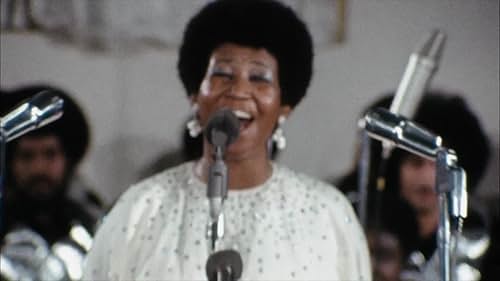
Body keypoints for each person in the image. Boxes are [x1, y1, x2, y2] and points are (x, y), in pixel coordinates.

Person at [83, 0, 371, 280]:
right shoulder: (141, 208)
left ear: (285, 105)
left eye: (260, 78)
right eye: (222, 74)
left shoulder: (327, 214)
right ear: (195, 95)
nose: (239, 90)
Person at [336, 91, 491, 280]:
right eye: (415, 162)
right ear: (394, 169)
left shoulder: (477, 242)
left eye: (436, 165)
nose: (427, 177)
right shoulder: (357, 226)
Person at [1, 84, 105, 280]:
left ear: (67, 160)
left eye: (50, 155)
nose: (39, 168)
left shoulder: (92, 228)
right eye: (27, 156)